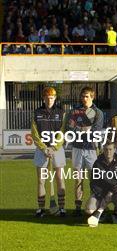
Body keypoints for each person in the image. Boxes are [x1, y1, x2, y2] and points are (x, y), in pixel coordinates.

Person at [65, 87, 104, 216]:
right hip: (77, 148)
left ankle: (95, 205)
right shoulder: (74, 111)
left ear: (92, 97)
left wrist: (79, 129)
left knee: (94, 179)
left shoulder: (98, 112)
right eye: (83, 96)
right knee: (78, 179)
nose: (84, 99)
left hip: (92, 149)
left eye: (87, 96)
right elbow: (69, 129)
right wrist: (85, 129)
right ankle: (78, 207)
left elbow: (96, 132)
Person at [31, 87, 66, 217]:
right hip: (42, 150)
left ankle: (62, 208)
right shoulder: (37, 112)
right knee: (41, 180)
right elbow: (34, 133)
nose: (49, 100)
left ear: (55, 98)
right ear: (43, 98)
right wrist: (44, 148)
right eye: (47, 98)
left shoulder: (61, 112)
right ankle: (41, 209)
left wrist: (54, 147)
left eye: (51, 98)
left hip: (57, 150)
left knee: (60, 179)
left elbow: (62, 132)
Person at [86, 142, 117, 227]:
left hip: (116, 193)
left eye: (110, 149)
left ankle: (116, 214)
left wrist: (112, 191)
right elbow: (93, 183)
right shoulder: (98, 162)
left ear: (114, 150)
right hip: (101, 193)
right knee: (89, 210)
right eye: (106, 149)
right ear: (103, 150)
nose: (108, 152)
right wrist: (102, 195)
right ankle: (104, 212)